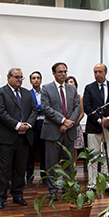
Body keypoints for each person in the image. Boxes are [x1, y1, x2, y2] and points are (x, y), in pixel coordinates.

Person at [0, 68, 37, 209]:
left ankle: (18, 195)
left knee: (20, 169)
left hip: (24, 137)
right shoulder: (0, 92)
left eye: (21, 77)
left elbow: (34, 110)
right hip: (6, 138)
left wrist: (28, 124)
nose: (19, 80)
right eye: (16, 77)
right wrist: (17, 125)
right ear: (8, 77)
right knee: (4, 170)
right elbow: (0, 112)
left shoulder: (26, 93)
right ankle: (0, 197)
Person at [41, 62, 80, 197]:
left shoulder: (72, 89)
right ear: (53, 73)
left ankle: (67, 188)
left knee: (68, 162)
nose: (63, 74)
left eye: (65, 71)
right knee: (51, 162)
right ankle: (52, 190)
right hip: (53, 131)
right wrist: (63, 121)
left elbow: (77, 108)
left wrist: (69, 123)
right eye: (60, 72)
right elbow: (46, 108)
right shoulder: (46, 88)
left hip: (69, 131)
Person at [82, 64, 109, 188]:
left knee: (108, 157)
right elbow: (87, 107)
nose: (97, 74)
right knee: (93, 157)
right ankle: (92, 184)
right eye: (95, 72)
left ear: (106, 72)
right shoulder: (89, 88)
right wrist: (99, 120)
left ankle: (108, 184)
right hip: (94, 127)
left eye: (100, 71)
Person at [26, 71, 46, 187]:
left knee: (44, 152)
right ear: (30, 81)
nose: (36, 80)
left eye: (38, 78)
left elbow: (46, 106)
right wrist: (39, 107)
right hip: (32, 126)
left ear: (41, 80)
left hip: (44, 124)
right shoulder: (27, 94)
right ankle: (29, 177)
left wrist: (37, 107)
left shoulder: (45, 93)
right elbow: (31, 108)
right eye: (33, 78)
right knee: (30, 153)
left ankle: (44, 177)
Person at [66, 76, 85, 151]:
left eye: (71, 82)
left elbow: (82, 113)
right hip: (65, 126)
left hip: (75, 126)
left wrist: (74, 123)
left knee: (74, 148)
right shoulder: (63, 97)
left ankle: (74, 163)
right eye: (67, 82)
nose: (69, 84)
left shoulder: (79, 97)